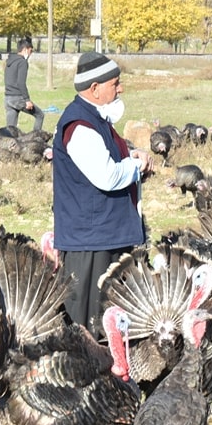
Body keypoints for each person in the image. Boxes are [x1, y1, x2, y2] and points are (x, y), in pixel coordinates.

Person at [52, 51, 154, 338]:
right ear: (95, 89)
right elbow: (106, 176)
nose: (120, 88)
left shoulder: (95, 120)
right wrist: (134, 166)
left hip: (104, 237)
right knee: (88, 330)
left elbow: (105, 161)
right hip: (91, 245)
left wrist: (128, 155)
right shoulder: (80, 126)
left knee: (113, 323)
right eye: (115, 83)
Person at [4, 37, 45, 133]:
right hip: (17, 98)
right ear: (25, 49)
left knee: (11, 129)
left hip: (7, 98)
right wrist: (27, 100)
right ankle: (35, 139)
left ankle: (8, 146)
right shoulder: (22, 62)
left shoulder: (9, 62)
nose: (31, 54)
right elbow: (21, 83)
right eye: (31, 51)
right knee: (40, 115)